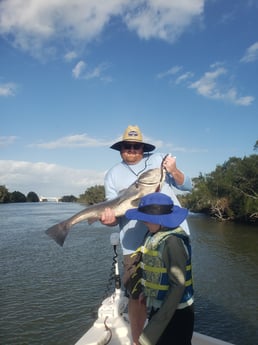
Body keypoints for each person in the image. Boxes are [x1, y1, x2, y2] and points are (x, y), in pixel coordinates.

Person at [100, 125, 192, 344]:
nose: (132, 150)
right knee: (136, 295)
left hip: (169, 237)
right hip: (133, 244)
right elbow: (113, 215)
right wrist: (108, 220)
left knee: (177, 291)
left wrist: (175, 171)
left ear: (144, 147)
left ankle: (167, 336)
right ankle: (137, 340)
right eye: (127, 146)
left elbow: (187, 186)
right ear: (120, 148)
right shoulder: (112, 175)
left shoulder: (160, 159)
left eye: (137, 146)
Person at [125, 192, 194, 345]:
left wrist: (152, 331)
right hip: (159, 307)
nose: (143, 222)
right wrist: (146, 293)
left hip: (176, 314)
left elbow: (178, 287)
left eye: (146, 219)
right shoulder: (154, 235)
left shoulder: (173, 243)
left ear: (160, 220)